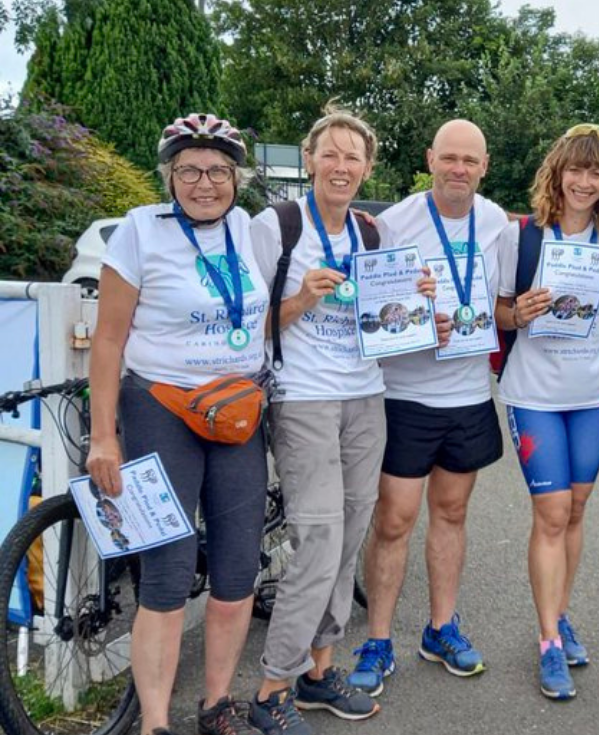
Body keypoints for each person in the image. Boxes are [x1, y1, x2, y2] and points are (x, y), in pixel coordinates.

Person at [87, 114, 270, 735]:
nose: (204, 183)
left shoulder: (249, 230)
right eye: (189, 170)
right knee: (166, 569)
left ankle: (216, 703)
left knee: (239, 567)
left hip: (236, 412)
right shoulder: (140, 230)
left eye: (219, 171)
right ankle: (156, 723)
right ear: (169, 176)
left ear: (235, 179)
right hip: (161, 406)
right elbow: (108, 342)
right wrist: (103, 435)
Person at [247, 107, 416, 730]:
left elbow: (386, 321)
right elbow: (244, 327)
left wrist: (414, 304)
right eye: (331, 154)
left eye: (354, 157)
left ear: (367, 168)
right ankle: (269, 691)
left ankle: (319, 674)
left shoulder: (370, 235)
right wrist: (300, 299)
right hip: (304, 400)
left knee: (346, 545)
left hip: (366, 398)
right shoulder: (278, 226)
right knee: (317, 543)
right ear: (310, 160)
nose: (342, 166)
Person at [347, 119, 507, 696]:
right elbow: (372, 310)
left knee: (452, 515)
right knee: (393, 521)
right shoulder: (394, 223)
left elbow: (499, 307)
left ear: (484, 166)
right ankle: (379, 639)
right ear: (430, 159)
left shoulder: (497, 224)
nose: (459, 169)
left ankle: (441, 627)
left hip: (467, 396)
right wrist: (415, 326)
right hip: (405, 396)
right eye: (449, 158)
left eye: (470, 159)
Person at [494, 124, 599, 699]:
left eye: (595, 173)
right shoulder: (520, 236)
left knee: (575, 511)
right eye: (575, 170)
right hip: (535, 395)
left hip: (594, 394)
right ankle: (549, 639)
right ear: (557, 173)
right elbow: (495, 313)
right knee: (550, 512)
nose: (583, 181)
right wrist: (518, 313)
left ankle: (562, 612)